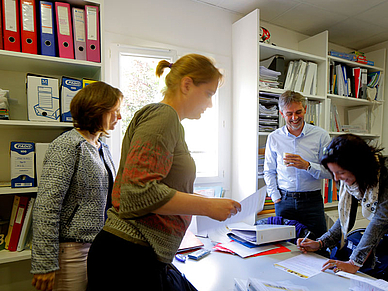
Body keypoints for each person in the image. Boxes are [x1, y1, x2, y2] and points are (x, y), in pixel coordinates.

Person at [87, 54, 241, 290]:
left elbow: (160, 187)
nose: (210, 104)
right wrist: (207, 207)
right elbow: (137, 192)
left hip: (137, 254)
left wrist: (208, 201)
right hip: (128, 257)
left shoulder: (170, 122)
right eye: (209, 94)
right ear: (187, 85)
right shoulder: (164, 116)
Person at [31, 81, 123, 291]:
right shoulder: (67, 145)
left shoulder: (102, 148)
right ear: (97, 110)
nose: (119, 117)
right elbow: (47, 205)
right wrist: (45, 264)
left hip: (98, 246)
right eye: (114, 111)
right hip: (72, 250)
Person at [297, 134, 388, 275]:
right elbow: (344, 217)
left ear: (359, 167)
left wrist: (354, 262)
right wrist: (320, 243)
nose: (336, 178)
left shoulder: (384, 176)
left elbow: (380, 221)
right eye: (333, 172)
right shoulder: (355, 182)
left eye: (341, 172)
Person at [263, 90, 331, 239]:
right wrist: (275, 196)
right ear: (282, 114)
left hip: (312, 201)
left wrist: (307, 165)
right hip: (284, 200)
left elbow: (330, 172)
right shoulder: (274, 138)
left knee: (319, 244)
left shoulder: (321, 136)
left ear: (305, 109)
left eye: (298, 112)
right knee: (284, 246)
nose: (294, 118)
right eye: (289, 114)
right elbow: (269, 171)